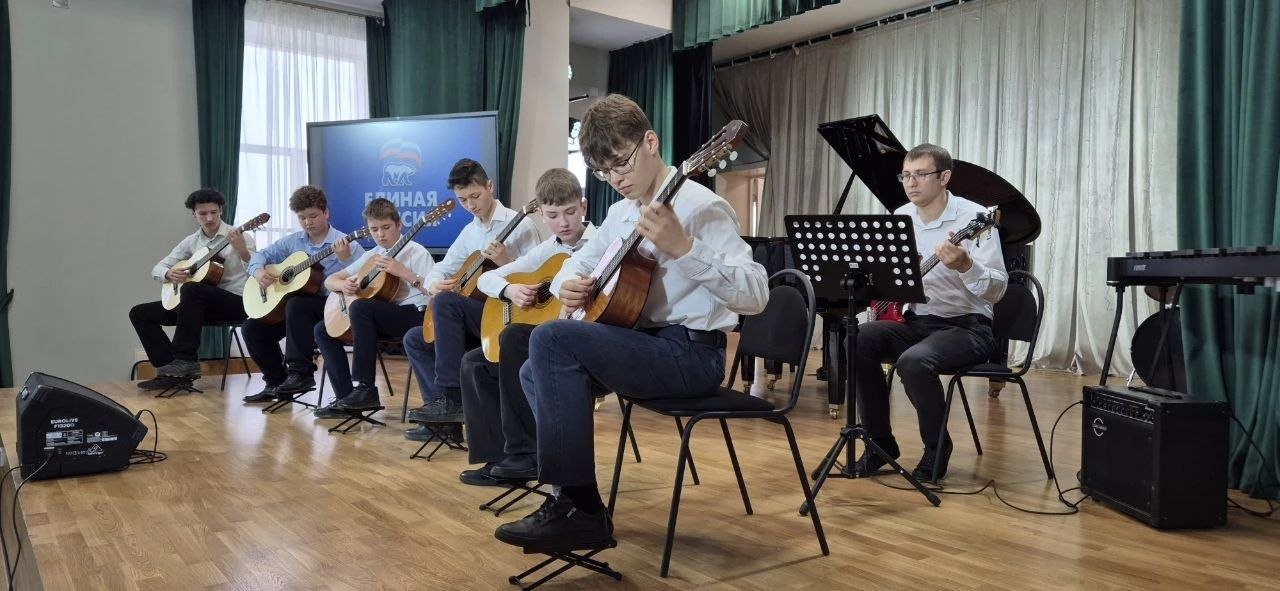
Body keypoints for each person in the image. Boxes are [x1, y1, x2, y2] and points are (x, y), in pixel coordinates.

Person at [494, 94, 768, 549]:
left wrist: (685, 249)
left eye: (621, 162)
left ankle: (579, 510)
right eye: (604, 172)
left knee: (552, 340)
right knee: (531, 369)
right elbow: (579, 261)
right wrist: (566, 283)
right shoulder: (620, 213)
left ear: (651, 142)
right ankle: (573, 499)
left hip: (692, 355)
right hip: (641, 345)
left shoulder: (701, 206)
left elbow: (756, 295)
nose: (616, 178)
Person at [852, 143, 1006, 482]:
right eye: (906, 175)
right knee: (857, 339)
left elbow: (998, 290)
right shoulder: (901, 217)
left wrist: (967, 266)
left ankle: (937, 447)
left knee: (913, 362)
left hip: (968, 328)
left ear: (944, 177)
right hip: (918, 323)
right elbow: (890, 278)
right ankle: (880, 444)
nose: (911, 182)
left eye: (920, 174)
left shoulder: (974, 218)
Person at [455, 168, 596, 485]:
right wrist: (510, 290)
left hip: (574, 340)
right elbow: (488, 278)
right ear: (542, 216)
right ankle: (498, 460)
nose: (563, 223)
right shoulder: (548, 250)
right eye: (553, 216)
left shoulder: (599, 243)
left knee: (515, 336)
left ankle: (527, 452)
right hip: (543, 336)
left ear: (584, 207)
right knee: (474, 362)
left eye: (570, 212)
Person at [399, 159, 545, 439]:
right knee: (415, 339)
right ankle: (446, 424)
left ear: (490, 186)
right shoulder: (470, 231)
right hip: (480, 315)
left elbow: (540, 279)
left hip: (509, 317)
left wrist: (506, 261)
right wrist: (432, 282)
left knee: (446, 303)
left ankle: (452, 399)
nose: (470, 205)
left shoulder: (522, 224)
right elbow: (444, 267)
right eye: (463, 200)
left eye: (475, 196)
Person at [240, 185, 364, 403]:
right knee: (252, 328)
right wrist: (258, 271)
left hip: (331, 307)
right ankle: (276, 383)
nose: (308, 222)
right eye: (302, 218)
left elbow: (365, 277)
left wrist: (345, 259)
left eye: (313, 216)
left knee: (298, 303)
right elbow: (260, 255)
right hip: (296, 315)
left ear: (326, 213)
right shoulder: (293, 241)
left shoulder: (346, 243)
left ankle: (301, 373)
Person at [312, 197, 435, 417]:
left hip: (417, 315)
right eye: (374, 229)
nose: (380, 234)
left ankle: (366, 387)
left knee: (361, 308)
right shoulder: (373, 255)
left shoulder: (417, 252)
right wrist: (344, 285)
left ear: (399, 225)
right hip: (384, 316)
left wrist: (404, 273)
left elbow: (434, 291)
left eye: (386, 227)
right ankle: (346, 400)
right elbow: (330, 280)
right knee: (322, 329)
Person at [130, 188, 256, 389]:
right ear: (194, 214)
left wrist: (243, 252)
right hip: (197, 307)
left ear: (221, 210)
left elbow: (257, 273)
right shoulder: (191, 242)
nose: (209, 218)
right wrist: (168, 273)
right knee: (140, 313)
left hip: (237, 302)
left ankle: (185, 360)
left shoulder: (240, 236)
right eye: (202, 213)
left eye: (213, 212)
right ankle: (170, 371)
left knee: (192, 289)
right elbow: (158, 267)